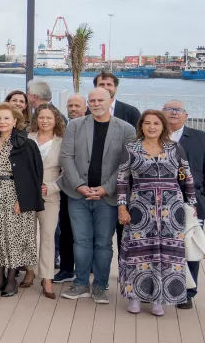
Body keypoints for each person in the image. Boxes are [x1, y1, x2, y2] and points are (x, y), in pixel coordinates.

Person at [59, 87, 136, 302]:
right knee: (81, 241)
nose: (95, 104)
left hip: (108, 198)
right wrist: (79, 185)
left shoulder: (126, 129)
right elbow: (66, 156)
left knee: (103, 243)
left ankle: (100, 286)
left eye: (100, 100)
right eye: (91, 100)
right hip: (78, 195)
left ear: (111, 100)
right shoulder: (74, 125)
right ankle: (81, 283)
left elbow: (126, 165)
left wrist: (106, 188)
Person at [117, 110, 197, 315]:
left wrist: (192, 204)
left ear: (163, 126)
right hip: (140, 207)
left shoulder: (175, 147)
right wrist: (122, 206)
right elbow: (122, 180)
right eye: (147, 123)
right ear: (141, 126)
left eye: (156, 123)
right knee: (137, 251)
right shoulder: (131, 148)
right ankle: (134, 296)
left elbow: (187, 177)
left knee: (166, 254)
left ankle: (158, 298)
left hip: (172, 208)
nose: (152, 127)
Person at [0, 103, 44, 297]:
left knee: (12, 239)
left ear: (15, 121)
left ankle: (10, 280)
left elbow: (35, 175)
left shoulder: (25, 144)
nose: (2, 121)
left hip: (13, 195)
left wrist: (23, 200)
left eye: (7, 118)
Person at [165, 100, 205, 309]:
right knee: (162, 247)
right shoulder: (154, 139)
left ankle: (187, 292)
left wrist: (201, 195)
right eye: (168, 109)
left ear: (186, 115)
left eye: (177, 110)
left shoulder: (200, 138)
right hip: (160, 203)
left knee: (189, 248)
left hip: (192, 203)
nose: (173, 113)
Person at [29, 104, 65, 299]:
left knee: (48, 236)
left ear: (55, 120)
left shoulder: (63, 142)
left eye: (48, 118)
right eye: (41, 117)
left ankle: (47, 278)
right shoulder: (28, 139)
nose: (44, 121)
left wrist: (52, 187)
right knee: (28, 234)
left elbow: (67, 172)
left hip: (50, 196)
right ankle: (29, 270)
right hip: (27, 195)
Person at [53, 94, 88, 284]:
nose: (73, 108)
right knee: (66, 228)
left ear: (85, 108)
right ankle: (66, 268)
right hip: (65, 185)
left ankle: (86, 267)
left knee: (84, 232)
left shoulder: (90, 126)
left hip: (88, 186)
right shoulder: (63, 127)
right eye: (70, 105)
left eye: (77, 105)